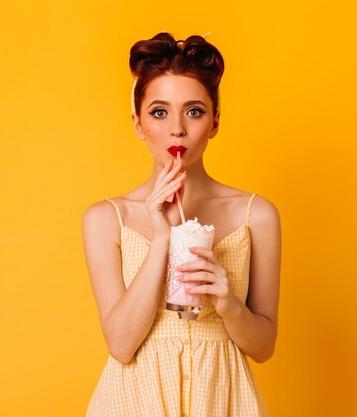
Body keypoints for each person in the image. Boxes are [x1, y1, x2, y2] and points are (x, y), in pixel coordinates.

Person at [81, 31, 281, 417]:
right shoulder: (106, 218)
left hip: (223, 399)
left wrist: (228, 305)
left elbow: (264, 347)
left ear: (215, 121)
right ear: (138, 123)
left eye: (194, 111)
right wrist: (161, 238)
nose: (177, 129)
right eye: (159, 112)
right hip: (134, 401)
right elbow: (121, 344)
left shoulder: (256, 215)